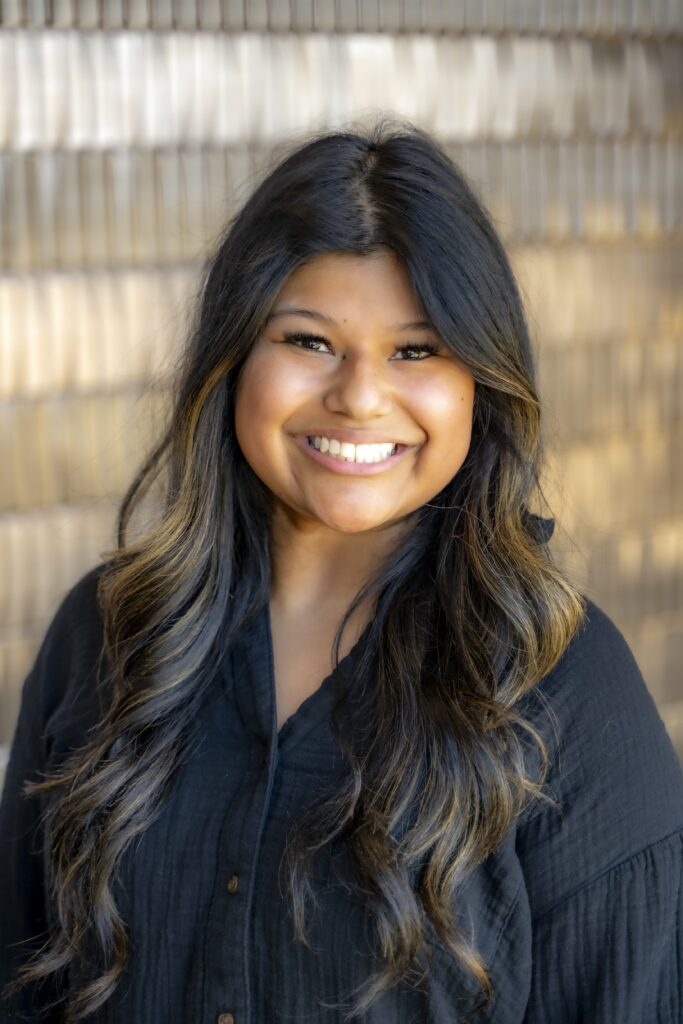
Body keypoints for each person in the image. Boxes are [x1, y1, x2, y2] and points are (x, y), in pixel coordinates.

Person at [1, 119, 681, 1024]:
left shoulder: (563, 683)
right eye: (309, 341)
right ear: (233, 359)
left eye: (417, 349)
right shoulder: (107, 631)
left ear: (481, 381)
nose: (359, 396)